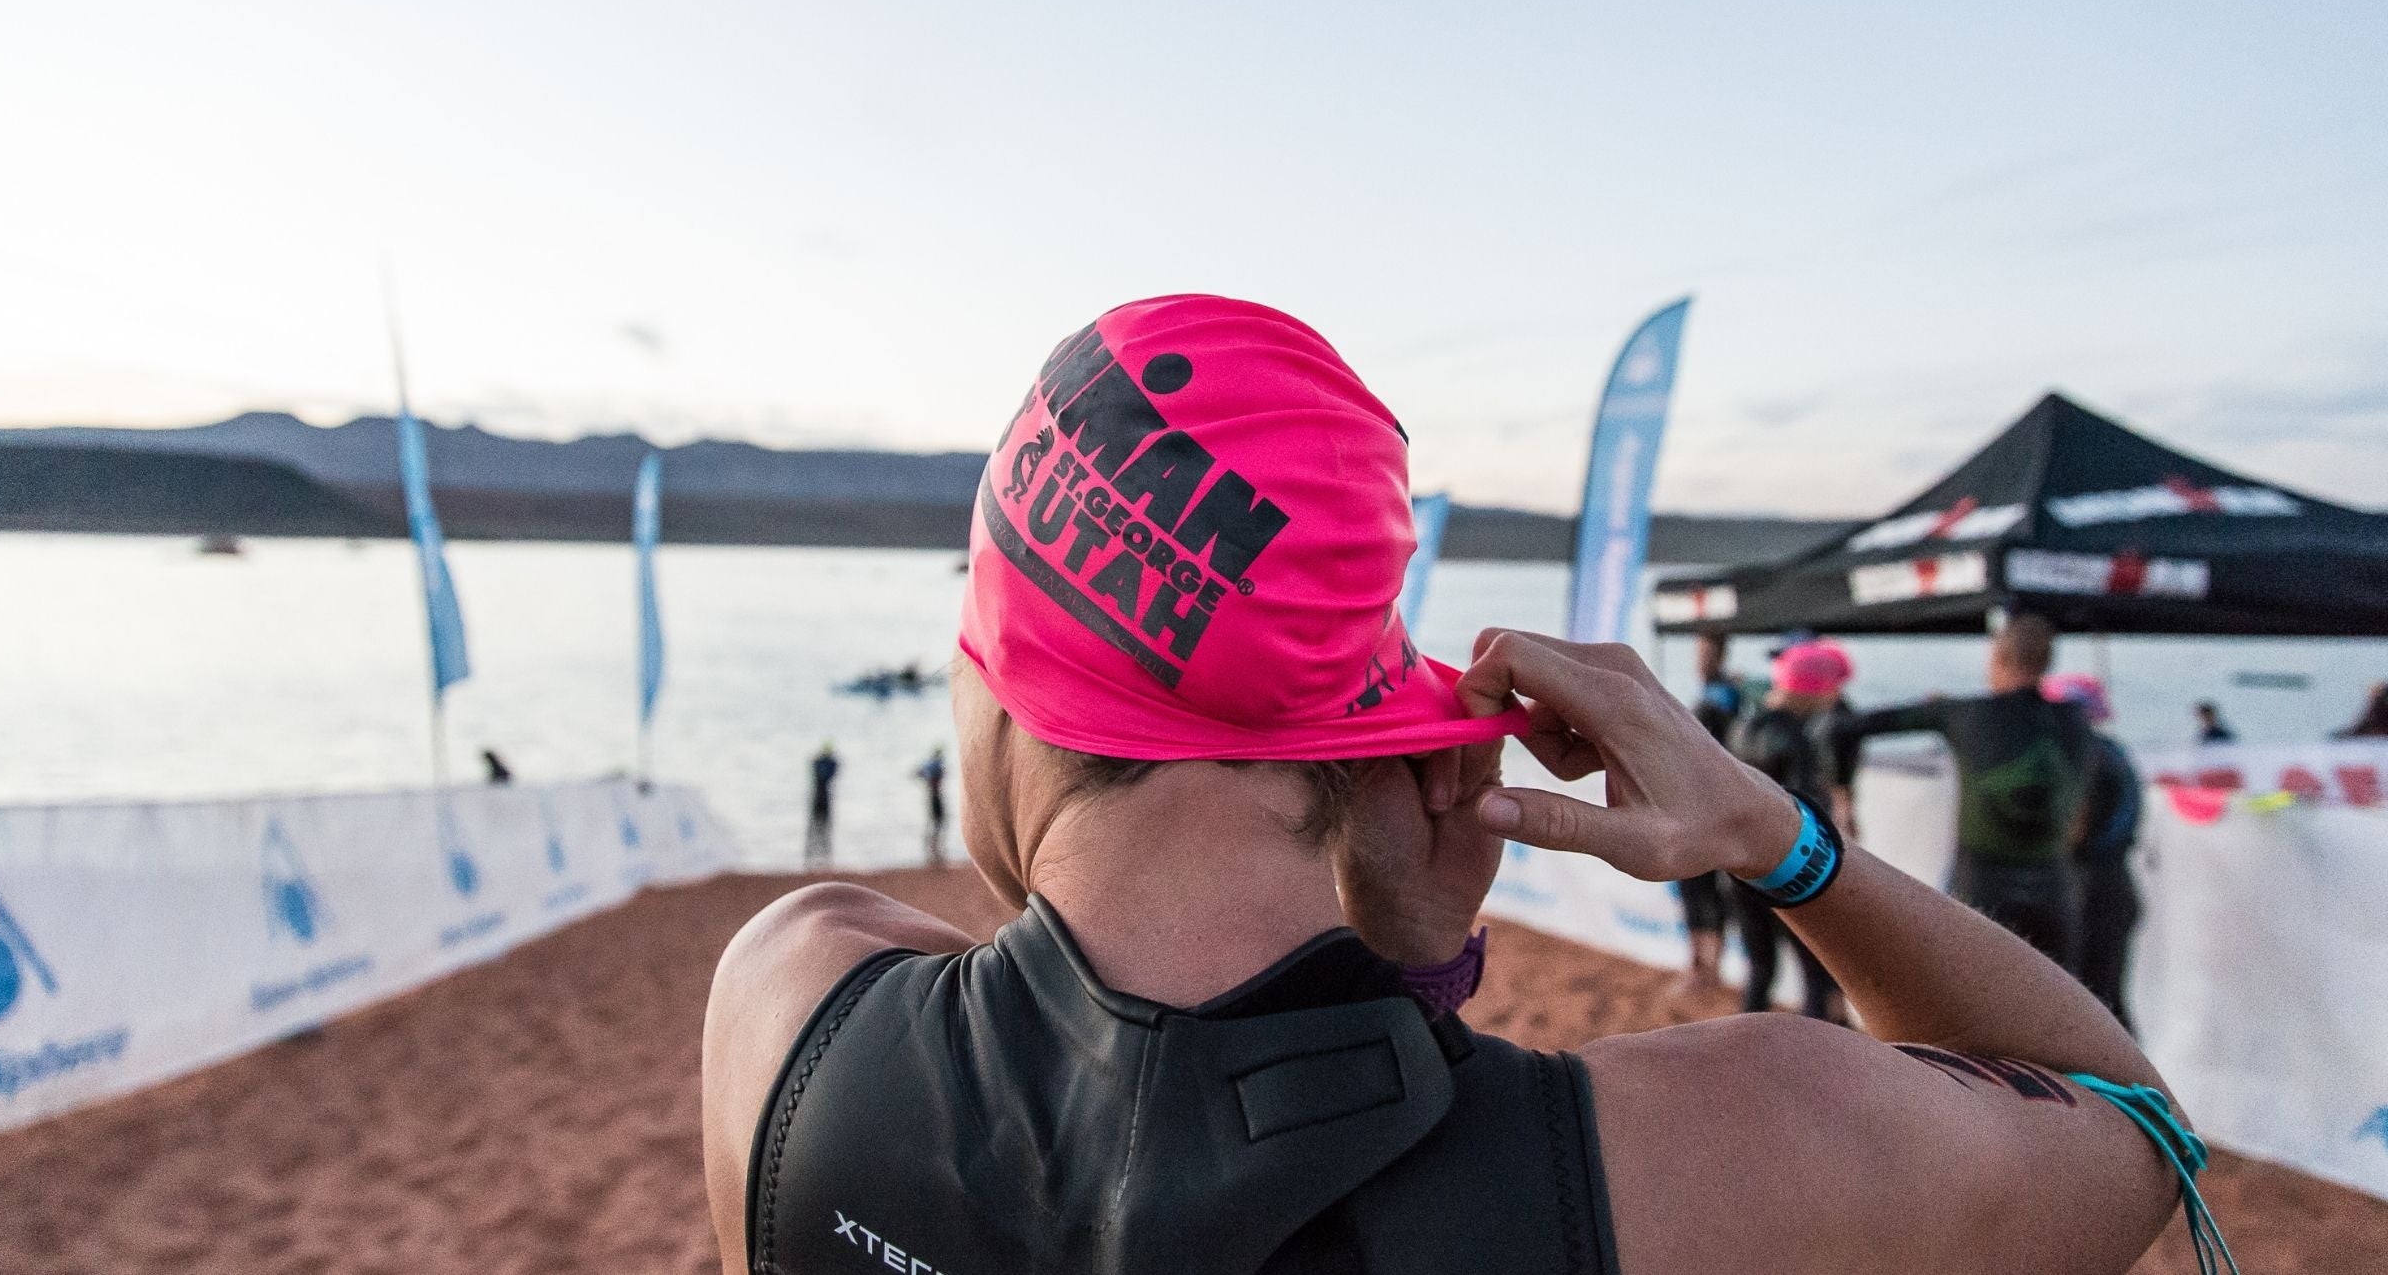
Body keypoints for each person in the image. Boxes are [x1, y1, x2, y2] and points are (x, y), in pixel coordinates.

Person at [702, 296, 2190, 1275]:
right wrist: (1779, 841)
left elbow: (1099, 1055)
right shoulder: (1726, 1158)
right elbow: (2139, 1139)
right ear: (1354, 739)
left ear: (1008, 683)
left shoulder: (788, 1011)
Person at [1841, 614, 2095, 971]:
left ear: (1997, 659)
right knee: (2063, 1014)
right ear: (2047, 662)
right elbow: (2088, 798)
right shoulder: (2076, 720)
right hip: (2054, 888)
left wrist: (1843, 796)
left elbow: (1844, 728)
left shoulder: (1964, 713)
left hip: (1982, 886)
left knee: (1965, 1005)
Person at [1724, 640, 1851, 1022]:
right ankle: (1813, 1064)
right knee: (1815, 973)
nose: (1834, 699)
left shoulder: (1742, 726)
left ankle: (1744, 1056)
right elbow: (1810, 819)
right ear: (1813, 688)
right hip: (1787, 872)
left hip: (1737, 865)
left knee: (1760, 968)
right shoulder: (1798, 739)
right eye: (1830, 688)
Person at [2045, 674, 2142, 1033]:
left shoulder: (2085, 758)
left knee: (2094, 1008)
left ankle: (2115, 1086)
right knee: (2105, 1003)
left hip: (2092, 893)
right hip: (2112, 888)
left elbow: (2074, 830)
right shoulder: (2111, 752)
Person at [1675, 632, 1740, 992]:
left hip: (1710, 807)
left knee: (1706, 889)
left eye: (1706, 652)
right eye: (1698, 651)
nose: (1700, 659)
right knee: (1691, 887)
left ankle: (1710, 969)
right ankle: (1698, 965)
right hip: (1691, 805)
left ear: (1720, 654)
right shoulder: (1717, 694)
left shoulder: (1724, 696)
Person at [806, 742, 840, 865]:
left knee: (823, 829)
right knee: (816, 829)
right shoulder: (821, 763)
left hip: (822, 798)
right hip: (819, 798)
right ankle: (812, 858)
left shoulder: (825, 764)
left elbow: (829, 772)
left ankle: (825, 858)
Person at [916, 746, 949, 866]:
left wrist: (926, 781)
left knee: (934, 822)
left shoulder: (930, 764)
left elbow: (918, 772)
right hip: (935, 797)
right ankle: (934, 849)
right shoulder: (936, 764)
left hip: (932, 796)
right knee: (938, 822)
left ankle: (931, 849)